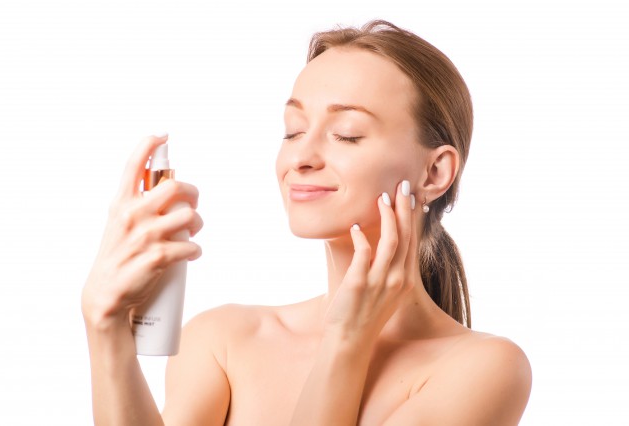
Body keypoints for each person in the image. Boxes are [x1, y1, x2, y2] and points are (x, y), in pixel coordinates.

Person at [82, 20, 532, 425]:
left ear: (434, 173)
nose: (300, 157)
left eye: (347, 135)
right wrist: (106, 326)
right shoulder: (224, 342)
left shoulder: (484, 369)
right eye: (293, 130)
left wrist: (346, 340)